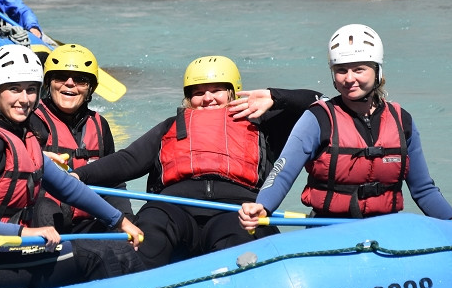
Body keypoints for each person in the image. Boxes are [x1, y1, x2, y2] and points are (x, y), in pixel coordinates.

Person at [73, 56, 321, 270]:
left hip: (236, 212)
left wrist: (275, 97)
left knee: (241, 239)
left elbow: (320, 105)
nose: (208, 99)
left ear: (233, 92)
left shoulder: (262, 124)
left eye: (217, 90)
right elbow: (128, 160)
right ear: (188, 98)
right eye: (198, 92)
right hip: (174, 209)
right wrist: (79, 176)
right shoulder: (171, 126)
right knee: (152, 225)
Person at [0, 43, 144, 288]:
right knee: (96, 255)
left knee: (120, 248)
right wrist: (26, 232)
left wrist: (120, 220)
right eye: (14, 89)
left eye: (31, 90)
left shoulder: (22, 139)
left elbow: (68, 187)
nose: (24, 99)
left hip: (14, 251)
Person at [238, 24, 452, 231]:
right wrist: (262, 206)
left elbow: (423, 189)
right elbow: (281, 174)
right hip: (329, 229)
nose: (349, 78)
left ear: (377, 71)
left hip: (385, 229)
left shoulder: (402, 121)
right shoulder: (316, 119)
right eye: (341, 70)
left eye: (359, 69)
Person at [32, 43, 132, 232]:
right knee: (45, 209)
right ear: (48, 83)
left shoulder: (100, 125)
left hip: (86, 223)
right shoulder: (30, 121)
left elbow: (114, 180)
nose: (69, 83)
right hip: (43, 223)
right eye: (61, 77)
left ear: (90, 89)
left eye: (80, 80)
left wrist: (126, 220)